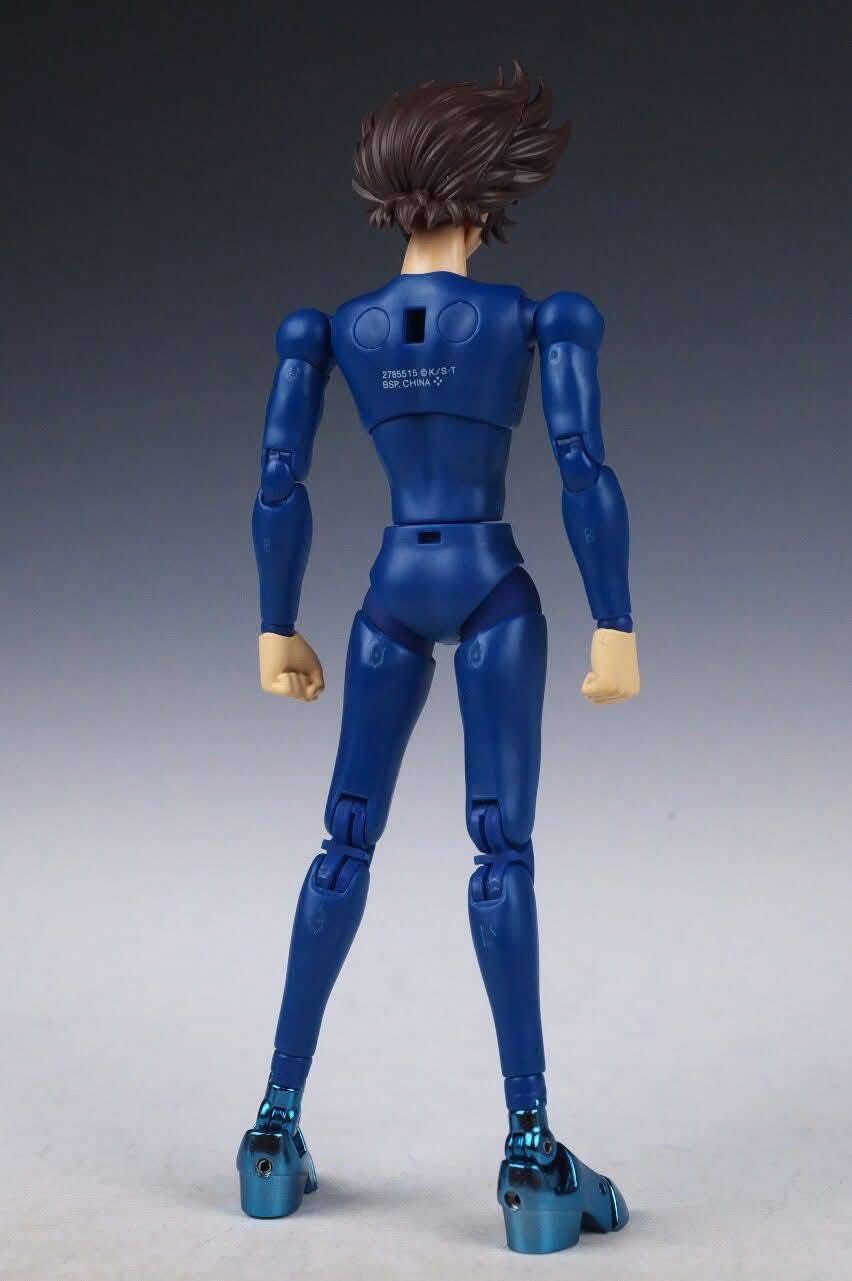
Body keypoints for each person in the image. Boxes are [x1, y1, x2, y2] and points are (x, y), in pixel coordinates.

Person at [237, 61, 640, 1254]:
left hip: (388, 593)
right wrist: (615, 620)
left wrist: (275, 623)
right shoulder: (535, 318)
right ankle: (531, 1152)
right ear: (492, 185)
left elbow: (278, 480)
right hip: (490, 581)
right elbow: (583, 469)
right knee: (500, 850)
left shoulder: (331, 332)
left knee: (342, 845)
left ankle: (271, 1130)